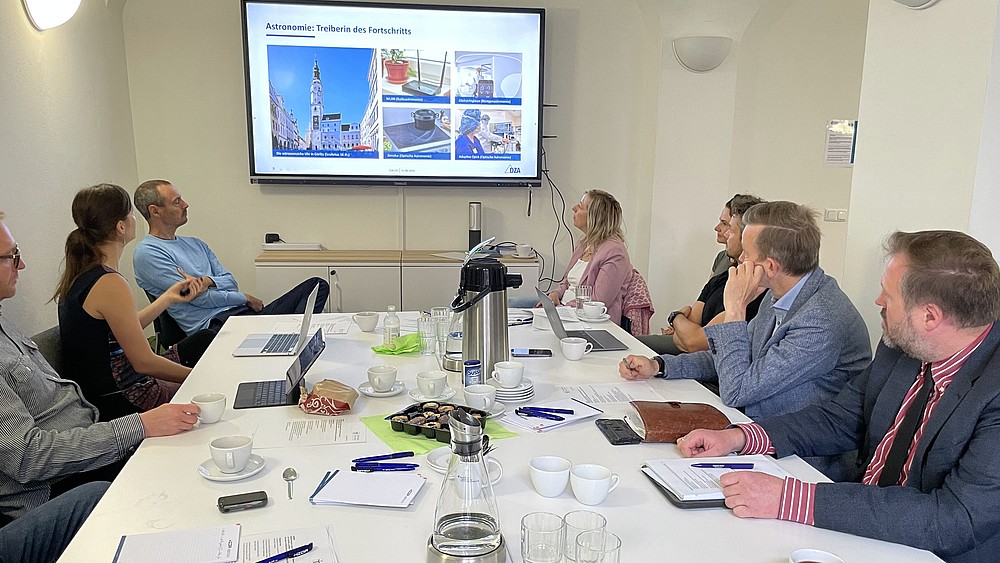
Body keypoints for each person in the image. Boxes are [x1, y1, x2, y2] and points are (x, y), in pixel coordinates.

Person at [677, 230, 1000, 562]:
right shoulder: (904, 347)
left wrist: (789, 498)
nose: (878, 301)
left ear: (929, 316)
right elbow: (840, 418)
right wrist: (741, 437)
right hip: (856, 527)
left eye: (888, 295)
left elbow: (954, 520)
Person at [0, 209, 198, 560]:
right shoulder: (105, 280)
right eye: (13, 257)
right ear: (121, 225)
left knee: (187, 458)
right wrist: (138, 426)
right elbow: (29, 459)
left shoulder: (5, 324)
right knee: (184, 468)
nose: (22, 266)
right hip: (55, 484)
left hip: (90, 438)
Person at [620, 201, 871, 476]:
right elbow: (735, 357)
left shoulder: (821, 319)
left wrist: (736, 309)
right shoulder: (781, 294)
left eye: (747, 255)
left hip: (800, 460)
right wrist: (661, 366)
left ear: (771, 266)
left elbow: (737, 388)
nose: (738, 261)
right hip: (752, 431)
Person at [54, 184, 215, 421]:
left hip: (114, 383)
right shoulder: (109, 282)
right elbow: (144, 362)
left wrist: (168, 298)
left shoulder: (86, 275)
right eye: (130, 214)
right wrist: (200, 377)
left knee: (204, 339)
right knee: (213, 390)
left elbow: (119, 330)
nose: (134, 219)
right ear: (121, 226)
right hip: (122, 395)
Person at [132, 180, 329, 334]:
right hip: (216, 327)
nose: (185, 204)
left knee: (317, 285)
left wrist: (208, 281)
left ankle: (286, 339)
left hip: (243, 315)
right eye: (177, 201)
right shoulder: (148, 253)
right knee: (285, 326)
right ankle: (284, 340)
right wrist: (243, 297)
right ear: (154, 211)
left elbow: (230, 281)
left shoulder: (196, 244)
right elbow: (197, 299)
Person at [638, 194, 767, 355]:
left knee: (634, 347)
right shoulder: (722, 278)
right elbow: (685, 337)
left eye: (728, 228)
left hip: (706, 364)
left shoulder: (757, 290)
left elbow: (693, 342)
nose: (722, 232)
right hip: (695, 359)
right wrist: (684, 330)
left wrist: (676, 317)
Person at [547, 190, 633, 326]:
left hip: (588, 322)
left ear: (594, 217)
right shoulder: (584, 243)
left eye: (581, 206)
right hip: (566, 313)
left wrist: (560, 310)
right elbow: (567, 282)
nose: (574, 208)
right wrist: (555, 294)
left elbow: (598, 301)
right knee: (514, 305)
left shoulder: (615, 252)